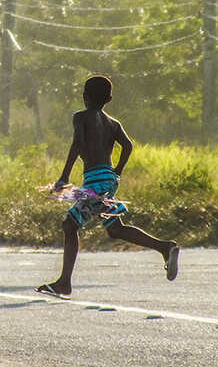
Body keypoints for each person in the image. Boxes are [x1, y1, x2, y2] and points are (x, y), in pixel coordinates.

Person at [36, 75, 179, 298]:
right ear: (109, 99)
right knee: (114, 229)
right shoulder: (113, 123)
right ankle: (164, 247)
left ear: (84, 97)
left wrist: (64, 177)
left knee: (69, 225)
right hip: (108, 178)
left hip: (95, 179)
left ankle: (64, 283)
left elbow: (77, 144)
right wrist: (118, 170)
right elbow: (128, 146)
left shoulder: (81, 117)